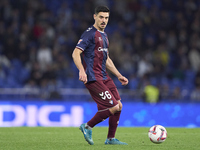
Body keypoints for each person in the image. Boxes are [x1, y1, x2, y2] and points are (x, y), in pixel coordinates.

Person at [72, 6, 129, 145]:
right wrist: (81, 70)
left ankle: (110, 139)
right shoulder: (89, 33)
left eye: (106, 18)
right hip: (93, 77)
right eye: (101, 17)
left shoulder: (104, 35)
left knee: (119, 105)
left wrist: (118, 74)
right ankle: (87, 126)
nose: (104, 20)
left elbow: (107, 59)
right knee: (114, 107)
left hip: (104, 76)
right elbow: (75, 53)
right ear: (95, 17)